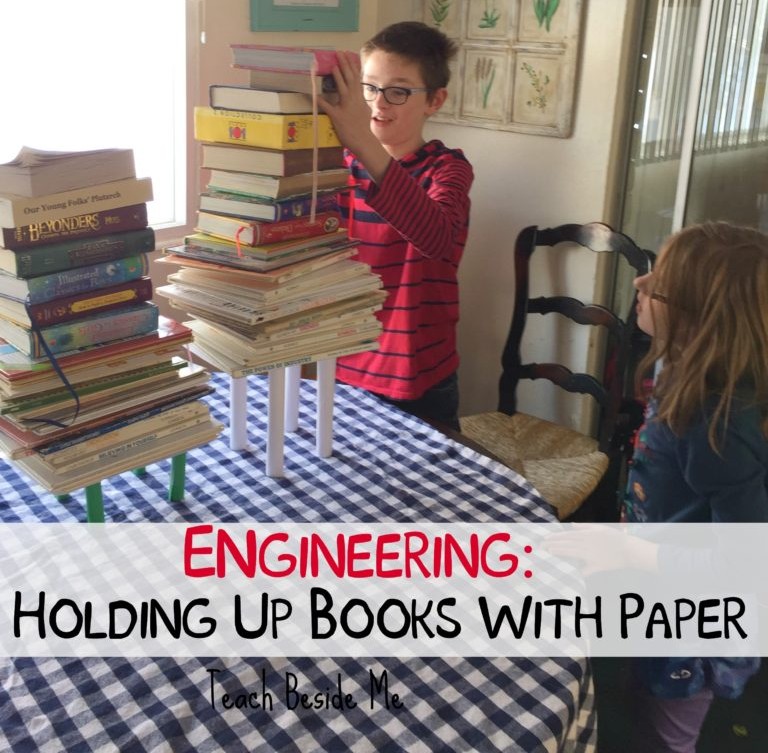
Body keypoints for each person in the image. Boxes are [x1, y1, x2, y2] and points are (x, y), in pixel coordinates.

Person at [623, 221, 768, 752]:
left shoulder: (717, 428)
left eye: (657, 283)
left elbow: (746, 564)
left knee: (666, 736)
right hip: (663, 592)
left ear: (699, 321)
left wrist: (638, 558)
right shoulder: (682, 368)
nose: (639, 284)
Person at [317, 21, 474, 430]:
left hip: (416, 378)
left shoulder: (448, 169)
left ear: (434, 100)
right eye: (368, 88)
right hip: (340, 368)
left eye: (398, 91)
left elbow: (436, 238)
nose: (377, 104)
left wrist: (363, 142)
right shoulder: (336, 167)